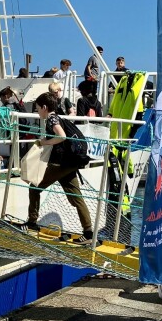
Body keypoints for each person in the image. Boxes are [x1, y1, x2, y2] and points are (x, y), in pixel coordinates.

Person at [25, 93, 93, 244]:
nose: (37, 113)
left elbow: (61, 136)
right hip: (70, 164)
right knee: (76, 198)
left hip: (61, 163)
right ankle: (88, 233)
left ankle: (32, 222)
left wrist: (45, 142)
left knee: (34, 188)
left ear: (44, 107)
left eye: (37, 109)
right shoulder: (60, 117)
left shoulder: (52, 118)